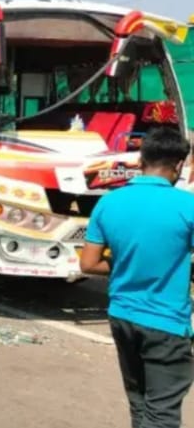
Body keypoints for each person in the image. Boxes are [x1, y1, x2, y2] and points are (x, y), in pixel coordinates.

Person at [81, 127, 194, 428]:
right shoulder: (187, 206)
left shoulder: (108, 202)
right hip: (166, 323)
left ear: (141, 159)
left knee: (140, 405)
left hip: (122, 317)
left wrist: (127, 264)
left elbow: (88, 263)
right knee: (163, 413)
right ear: (179, 165)